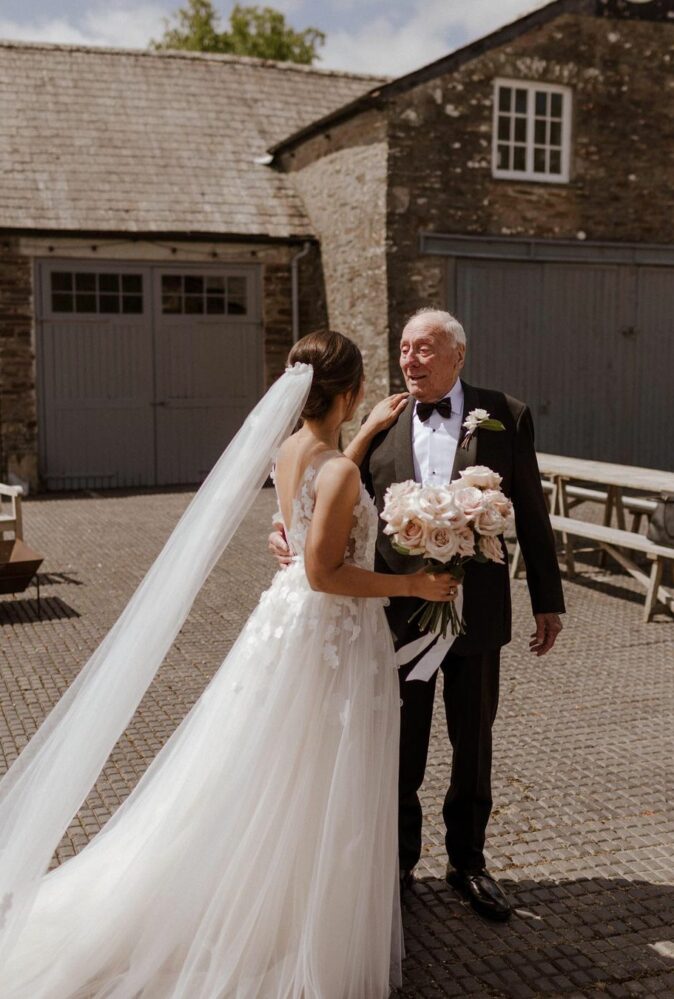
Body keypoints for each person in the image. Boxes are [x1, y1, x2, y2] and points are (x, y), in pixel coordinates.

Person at [0, 330, 457, 998]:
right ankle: (299, 922)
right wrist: (415, 586)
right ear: (353, 390)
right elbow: (326, 571)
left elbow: (316, 508)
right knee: (321, 769)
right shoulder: (339, 471)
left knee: (273, 761)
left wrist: (360, 441)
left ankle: (275, 900)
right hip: (332, 628)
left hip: (287, 624)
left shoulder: (291, 449)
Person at [271, 309, 565, 924]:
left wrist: (547, 597)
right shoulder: (381, 418)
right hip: (396, 612)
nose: (410, 360)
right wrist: (285, 532)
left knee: (473, 742)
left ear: (458, 354)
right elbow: (328, 483)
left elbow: (531, 509)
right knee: (399, 745)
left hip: (478, 613)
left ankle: (469, 862)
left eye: (425, 349)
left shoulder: (504, 413)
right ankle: (398, 864)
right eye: (404, 349)